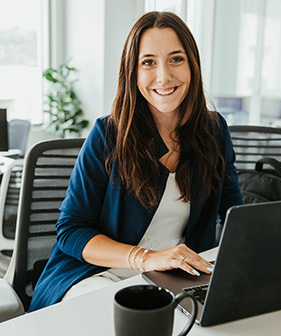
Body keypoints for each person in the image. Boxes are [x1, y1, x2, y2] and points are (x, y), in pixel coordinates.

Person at [29, 11, 243, 312]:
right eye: (148, 62)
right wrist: (146, 257)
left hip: (174, 277)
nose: (164, 76)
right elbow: (71, 230)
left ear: (193, 65)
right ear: (133, 72)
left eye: (176, 59)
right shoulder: (108, 135)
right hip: (95, 274)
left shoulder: (214, 131)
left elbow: (237, 214)